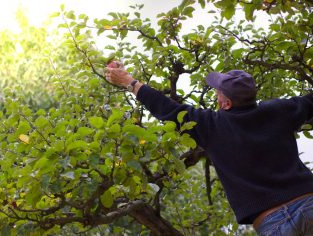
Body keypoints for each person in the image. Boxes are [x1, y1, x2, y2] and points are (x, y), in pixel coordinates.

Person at [105, 61, 313, 235]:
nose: (215, 93)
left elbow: (166, 108)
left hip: (273, 224)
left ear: (227, 103)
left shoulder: (211, 126)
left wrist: (128, 80)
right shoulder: (280, 110)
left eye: (218, 91)